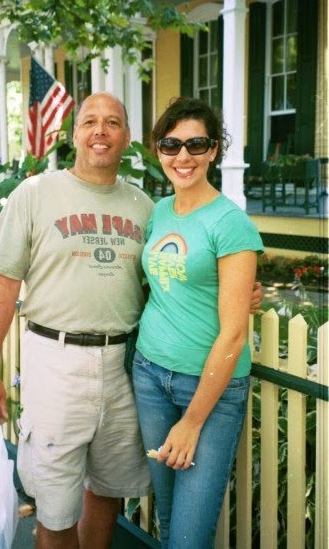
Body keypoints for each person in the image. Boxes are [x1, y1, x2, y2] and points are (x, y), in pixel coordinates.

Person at [0, 91, 263, 548]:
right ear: (73, 134)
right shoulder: (36, 194)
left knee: (108, 492)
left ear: (127, 138)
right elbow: (2, 286)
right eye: (90, 121)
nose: (101, 131)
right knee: (55, 510)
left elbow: (165, 278)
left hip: (124, 368)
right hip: (58, 362)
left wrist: (237, 290)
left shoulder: (145, 206)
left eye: (112, 122)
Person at [132, 97, 264, 548]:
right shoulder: (159, 212)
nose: (183, 156)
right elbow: (160, 284)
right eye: (171, 145)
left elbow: (234, 333)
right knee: (169, 519)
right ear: (159, 151)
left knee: (188, 537)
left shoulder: (230, 223)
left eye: (196, 144)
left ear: (213, 151)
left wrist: (192, 421)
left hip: (208, 390)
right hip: (149, 374)